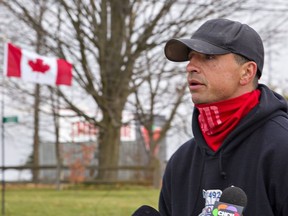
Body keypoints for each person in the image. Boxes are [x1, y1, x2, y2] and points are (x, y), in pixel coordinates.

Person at [159, 18, 288, 215]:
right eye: (191, 57)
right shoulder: (180, 162)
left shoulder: (282, 148)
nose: (190, 66)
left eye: (208, 57)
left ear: (246, 72)